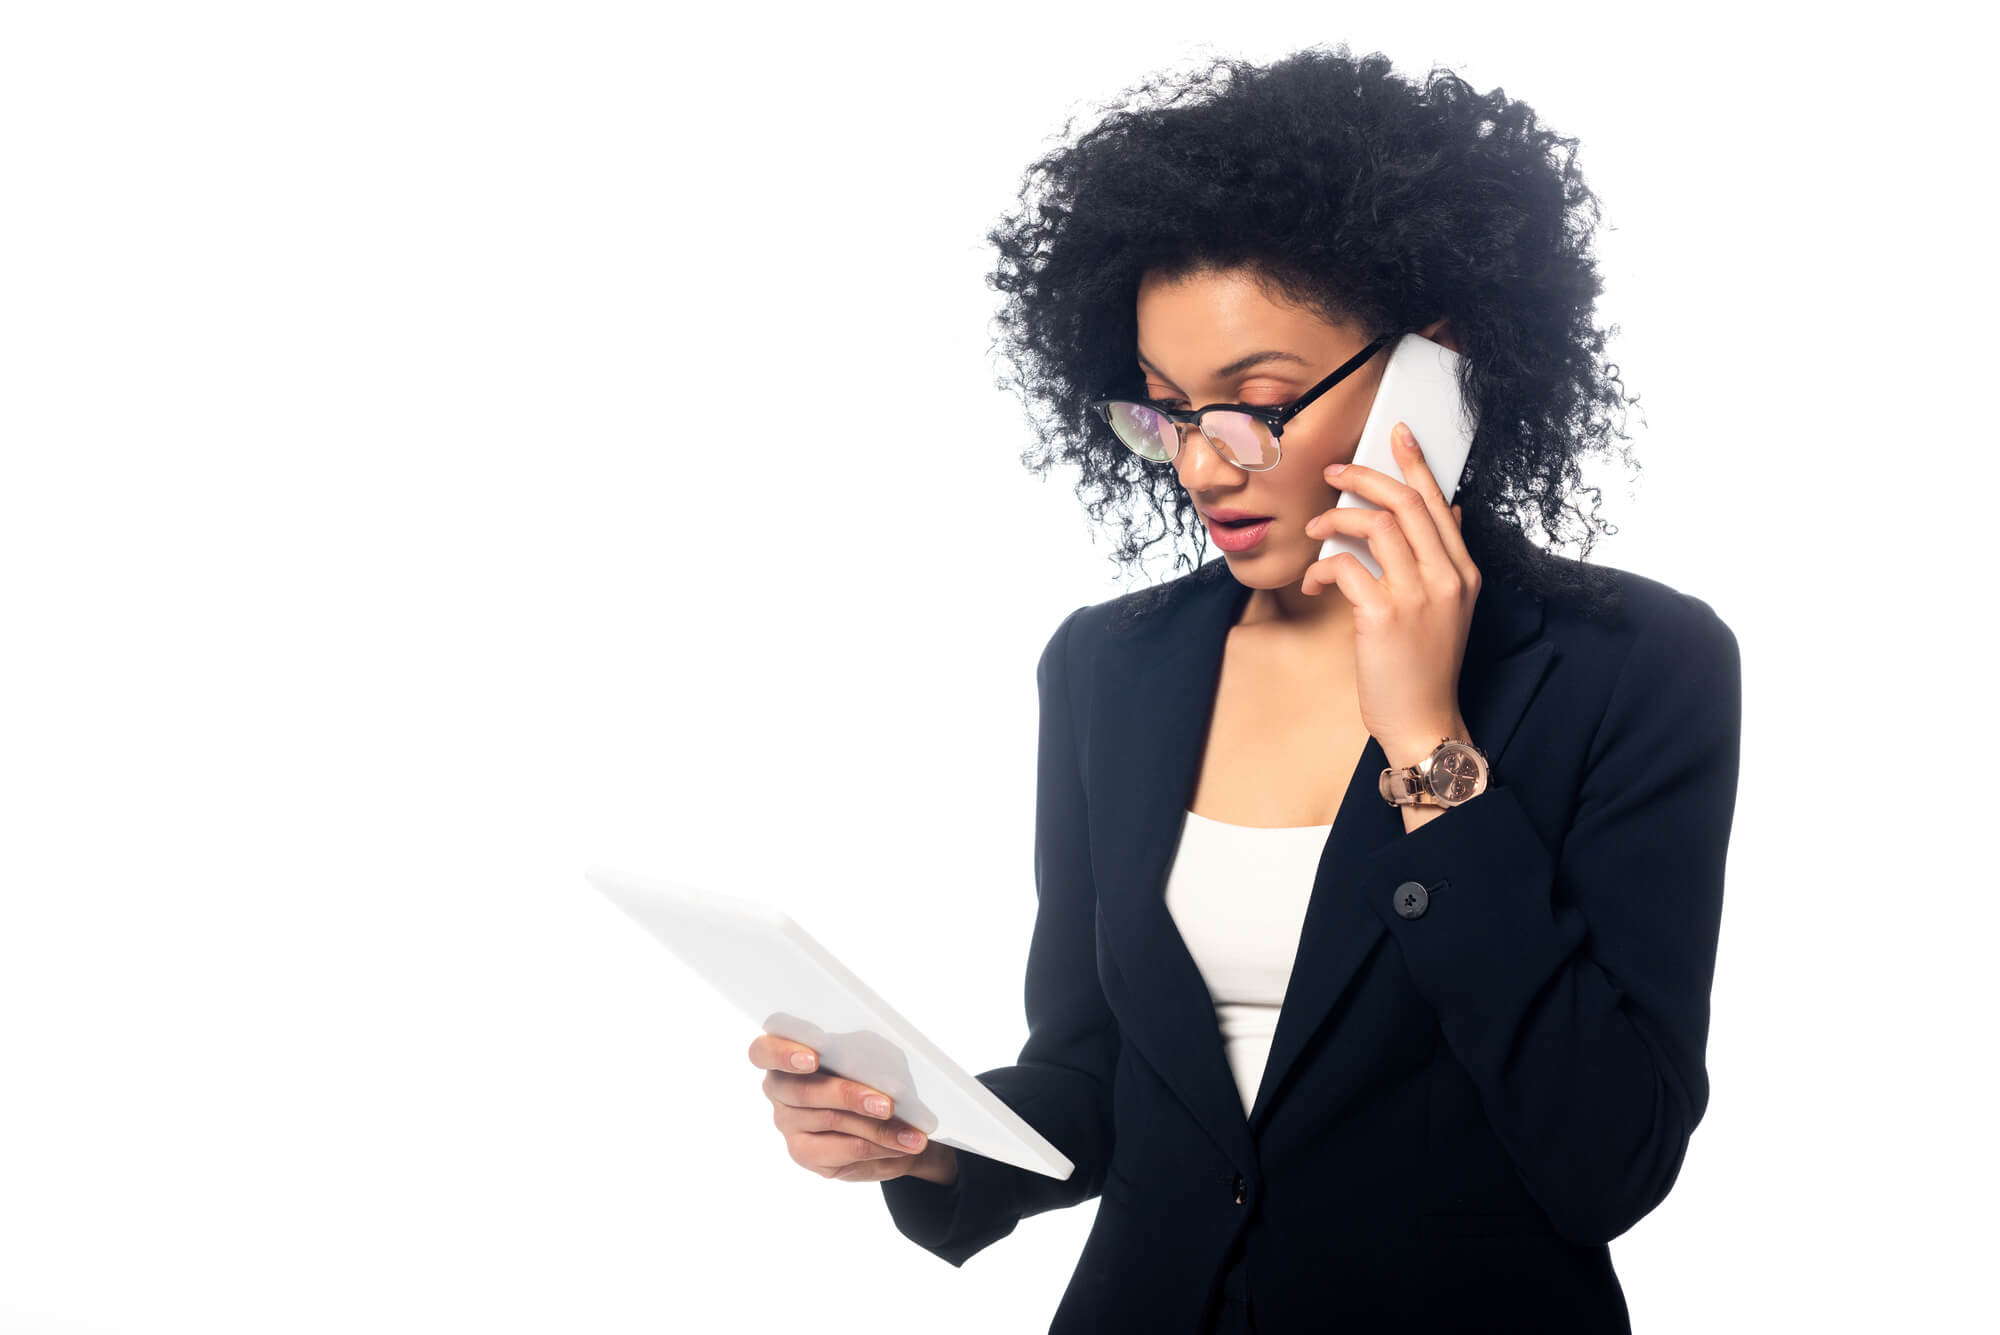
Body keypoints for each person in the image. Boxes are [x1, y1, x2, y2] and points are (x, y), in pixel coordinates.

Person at [746, 44, 1741, 1334]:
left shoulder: (1632, 667)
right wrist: (924, 1138)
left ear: (1433, 364)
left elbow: (1607, 1156)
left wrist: (1427, 740)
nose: (1201, 466)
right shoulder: (1110, 666)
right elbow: (1097, 1078)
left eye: (1255, 403)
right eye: (1167, 410)